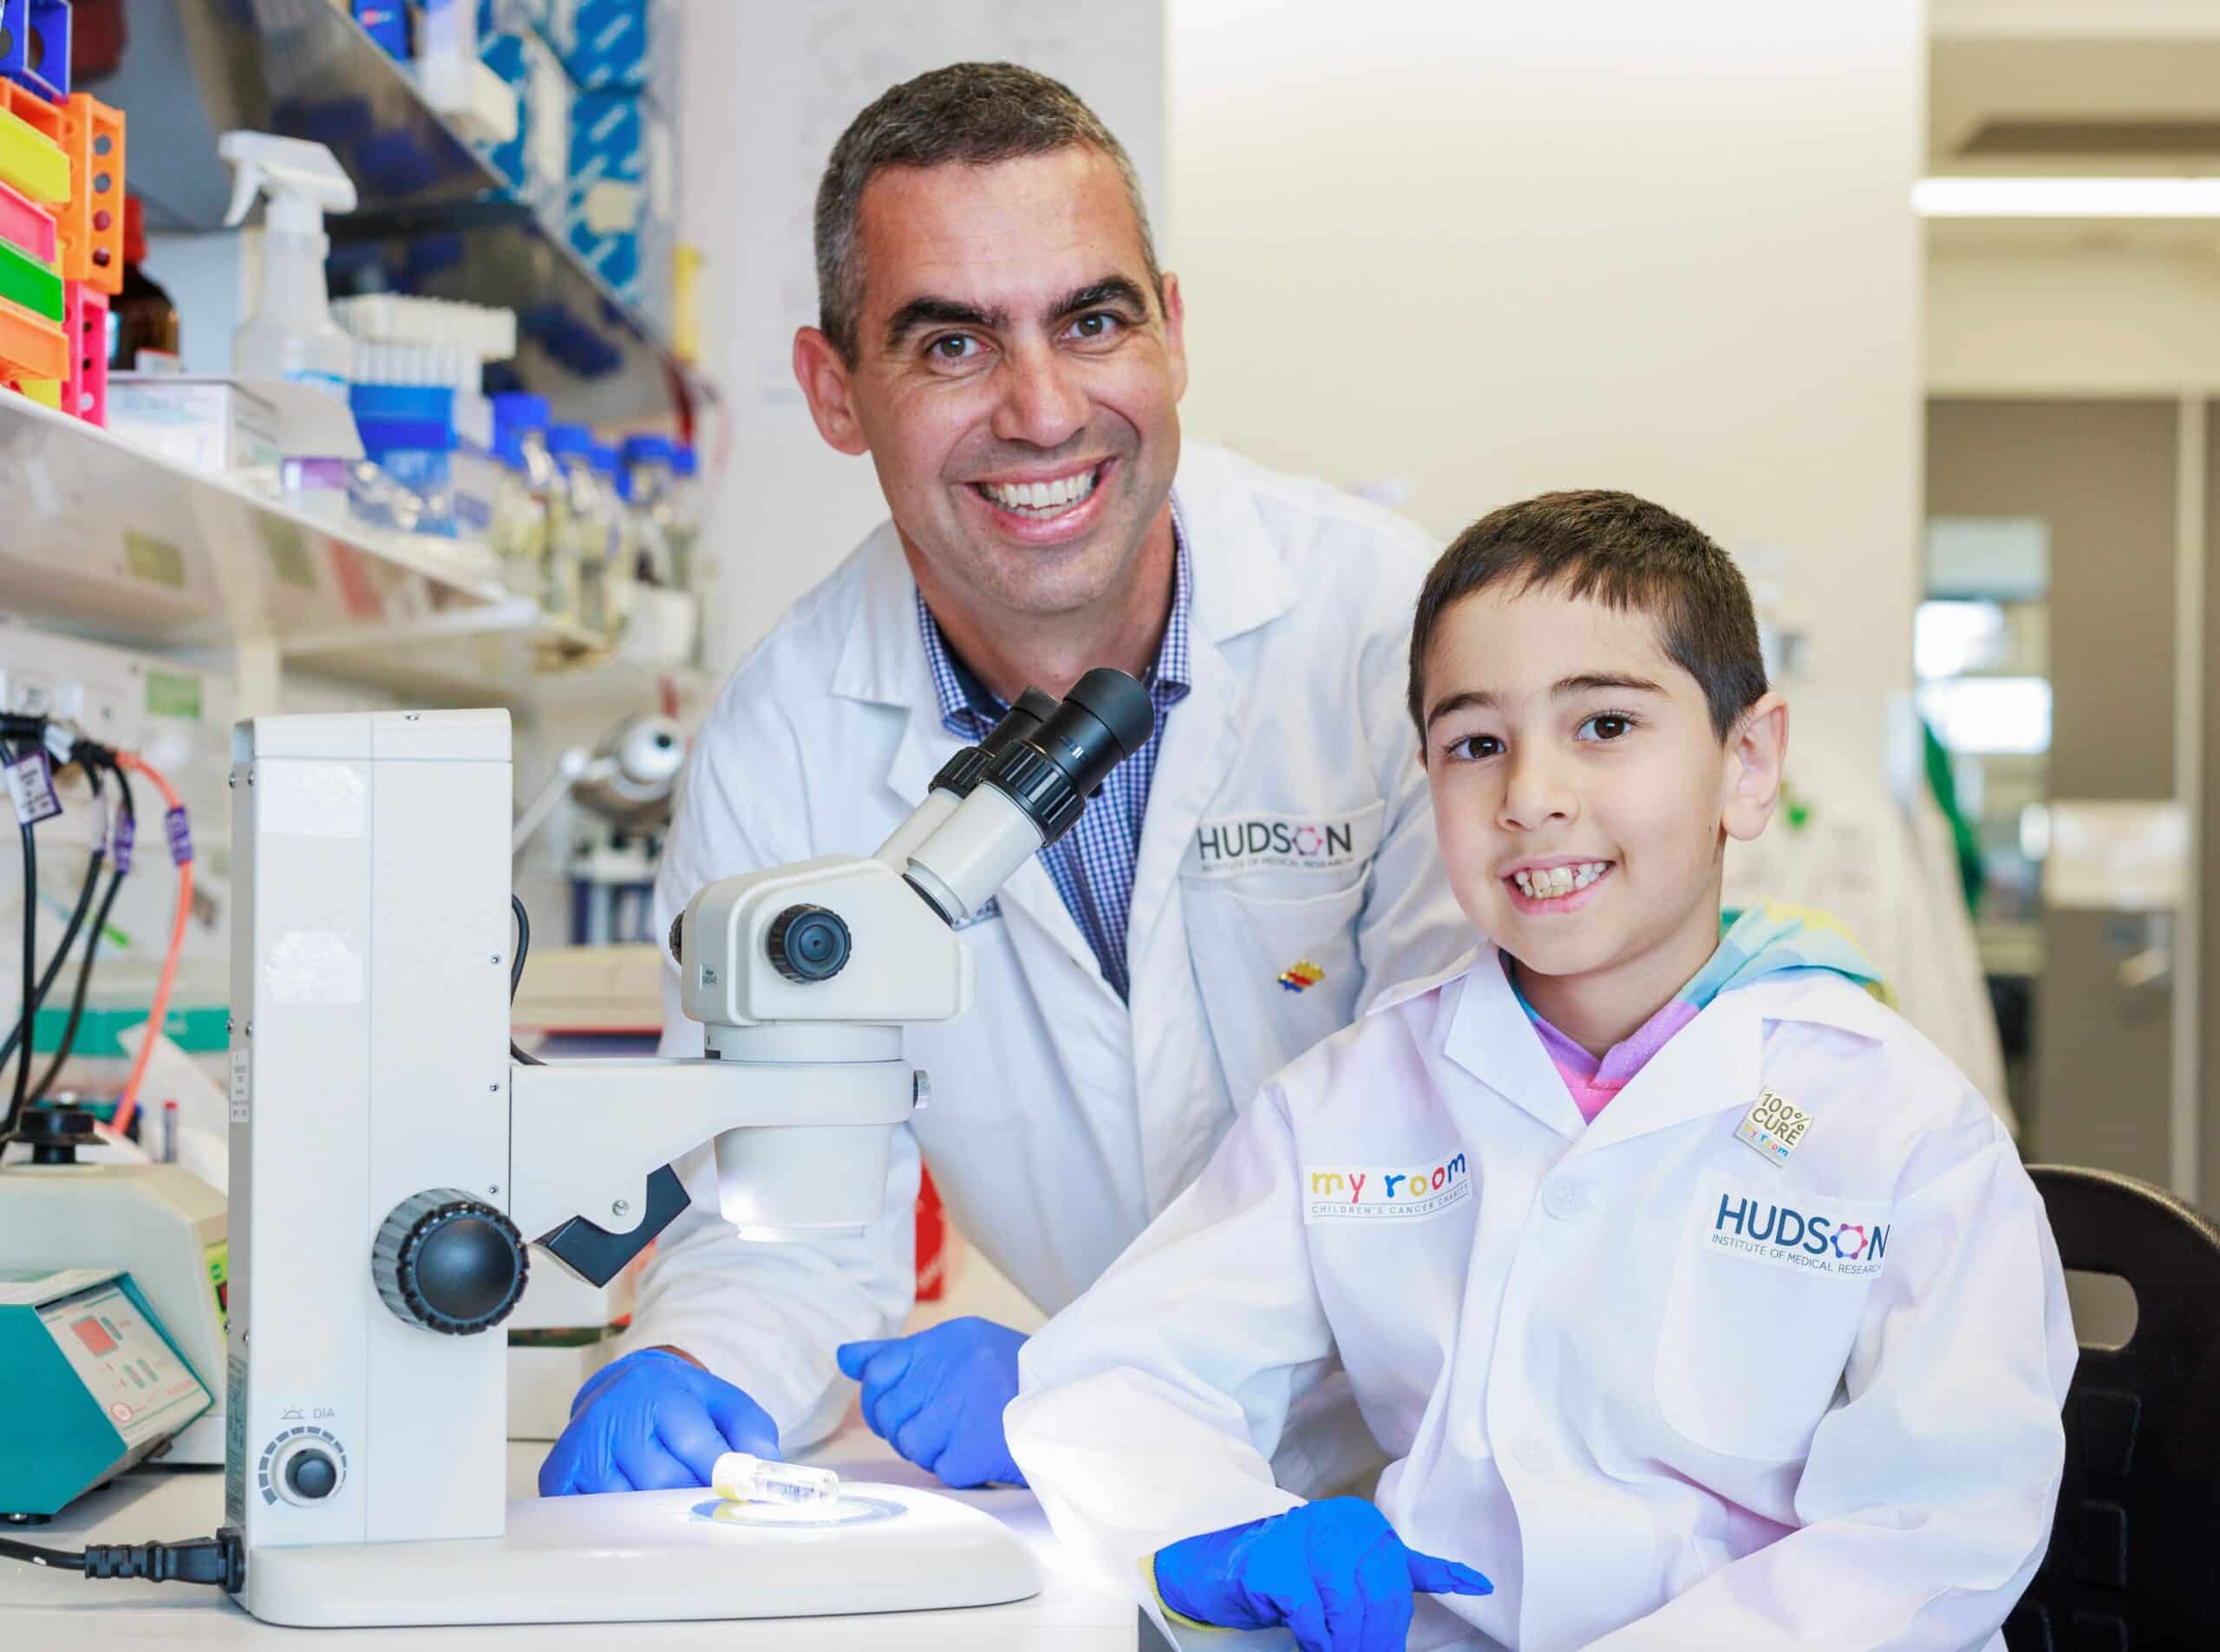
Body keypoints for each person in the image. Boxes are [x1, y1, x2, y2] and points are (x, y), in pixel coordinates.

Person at [537, 62, 1471, 1499]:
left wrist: (1119, 1372)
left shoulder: (1384, 638)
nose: (1042, 412)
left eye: (1093, 321)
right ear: (835, 391)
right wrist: (708, 1361)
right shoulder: (789, 738)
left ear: (1172, 333)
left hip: (1443, 1470)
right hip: (1117, 1486)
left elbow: (1457, 1152)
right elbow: (785, 1213)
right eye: (953, 346)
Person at [1006, 492, 2075, 1651]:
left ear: (1748, 761)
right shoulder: (1357, 1098)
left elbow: (1940, 1524)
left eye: (1605, 725)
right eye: (1476, 743)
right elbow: (1111, 1378)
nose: (1531, 795)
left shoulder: (1901, 1124)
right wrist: (1224, 1526)